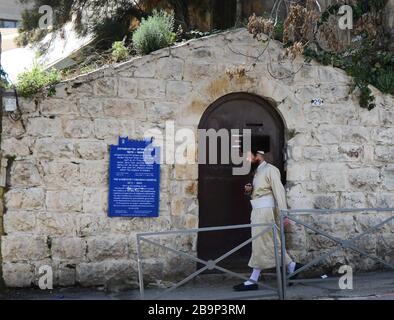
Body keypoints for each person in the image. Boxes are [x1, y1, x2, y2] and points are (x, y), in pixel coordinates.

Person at [233, 149, 302, 291]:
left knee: (264, 243)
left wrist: (284, 214)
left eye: (249, 156)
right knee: (265, 243)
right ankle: (292, 267)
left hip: (266, 212)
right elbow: (258, 193)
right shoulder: (257, 172)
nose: (247, 159)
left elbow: (279, 191)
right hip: (258, 211)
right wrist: (248, 191)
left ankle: (253, 280)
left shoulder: (271, 170)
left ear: (258, 155)